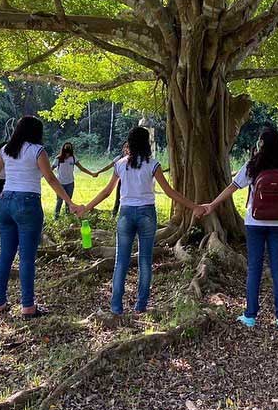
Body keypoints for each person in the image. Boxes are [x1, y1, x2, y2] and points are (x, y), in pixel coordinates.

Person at [199, 126, 278, 330]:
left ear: (261, 144)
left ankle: (250, 316)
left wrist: (212, 205)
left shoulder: (253, 165)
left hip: (255, 223)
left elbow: (233, 187)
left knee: (254, 269)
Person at [83, 126, 204, 317]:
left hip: (125, 214)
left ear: (129, 143)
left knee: (121, 261)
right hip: (147, 214)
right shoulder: (152, 164)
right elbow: (169, 191)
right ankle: (140, 305)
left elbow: (107, 192)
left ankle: (116, 306)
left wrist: (86, 207)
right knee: (145, 261)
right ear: (146, 143)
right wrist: (194, 206)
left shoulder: (121, 164)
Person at [0, 116, 83, 318]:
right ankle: (27, 306)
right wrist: (70, 202)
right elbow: (50, 178)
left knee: (5, 255)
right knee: (26, 257)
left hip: (4, 202)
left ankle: (0, 303)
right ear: (37, 132)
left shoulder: (6, 149)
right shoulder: (37, 151)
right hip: (27, 203)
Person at [51, 142, 95, 218]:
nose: (67, 153)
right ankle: (56, 217)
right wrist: (43, 175)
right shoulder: (58, 158)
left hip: (70, 183)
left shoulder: (73, 158)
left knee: (68, 201)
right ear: (63, 150)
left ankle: (67, 216)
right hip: (60, 183)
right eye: (66, 149)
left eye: (69, 149)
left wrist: (91, 174)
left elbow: (82, 168)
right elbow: (51, 168)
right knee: (59, 201)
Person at [94, 142, 130, 217]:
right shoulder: (118, 159)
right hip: (121, 181)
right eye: (125, 147)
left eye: (128, 146)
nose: (126, 149)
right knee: (118, 199)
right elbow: (109, 166)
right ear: (123, 149)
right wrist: (99, 172)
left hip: (131, 183)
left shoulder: (137, 159)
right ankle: (114, 215)